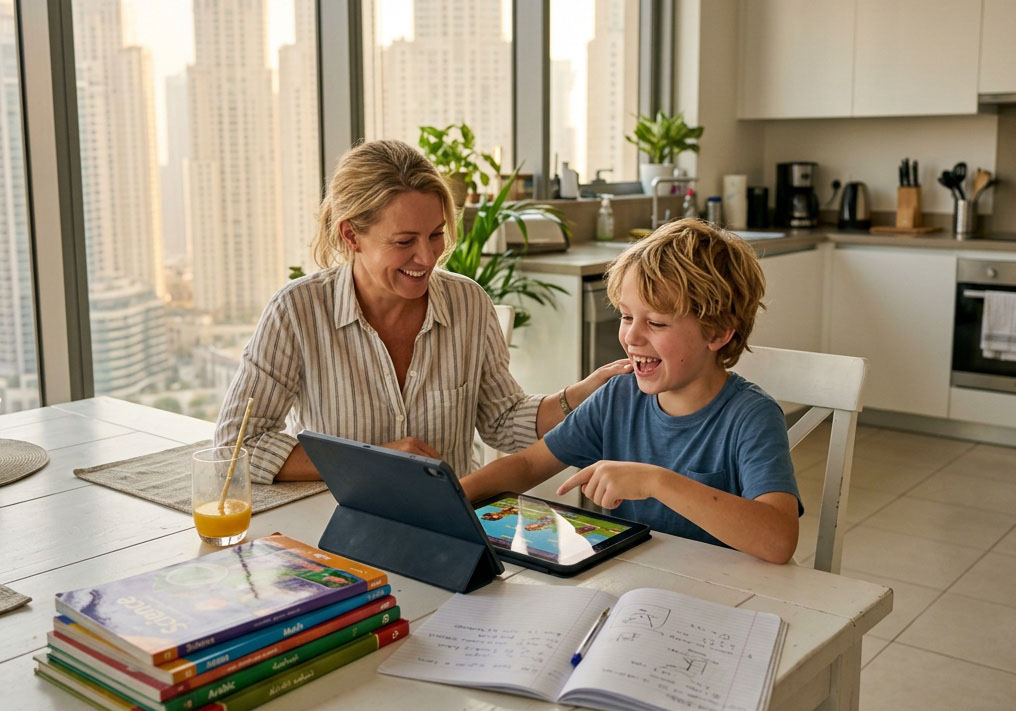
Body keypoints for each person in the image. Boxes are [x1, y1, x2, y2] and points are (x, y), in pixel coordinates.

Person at [214, 139, 630, 485]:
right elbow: (236, 444)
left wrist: (581, 394)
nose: (427, 256)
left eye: (435, 235)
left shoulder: (468, 302)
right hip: (336, 525)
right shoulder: (297, 311)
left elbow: (502, 419)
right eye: (404, 241)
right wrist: (373, 460)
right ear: (351, 235)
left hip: (451, 523)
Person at [461, 218, 802, 564]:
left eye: (655, 322)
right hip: (634, 590)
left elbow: (778, 540)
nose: (632, 338)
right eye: (626, 317)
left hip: (724, 599)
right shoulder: (618, 399)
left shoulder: (751, 416)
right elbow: (527, 465)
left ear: (717, 334)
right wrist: (450, 497)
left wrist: (656, 482)